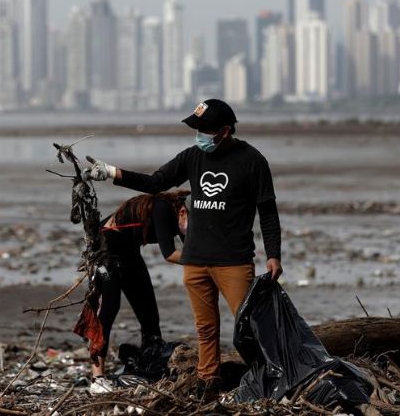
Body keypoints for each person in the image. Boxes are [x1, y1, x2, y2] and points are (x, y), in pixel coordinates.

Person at [83, 99, 283, 398]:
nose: (199, 135)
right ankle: (207, 381)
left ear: (225, 131)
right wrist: (112, 172)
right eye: (197, 129)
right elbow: (155, 182)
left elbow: (267, 210)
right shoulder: (192, 157)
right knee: (205, 329)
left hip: (233, 260)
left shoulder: (252, 161)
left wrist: (273, 254)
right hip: (196, 261)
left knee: (250, 326)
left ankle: (272, 376)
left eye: (205, 130)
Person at [88, 189, 190, 393]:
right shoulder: (162, 209)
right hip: (105, 249)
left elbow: (192, 250)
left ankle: (150, 366)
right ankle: (97, 379)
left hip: (130, 252)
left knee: (149, 315)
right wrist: (207, 260)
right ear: (182, 212)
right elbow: (170, 254)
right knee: (108, 309)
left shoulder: (184, 219)